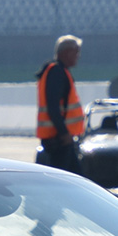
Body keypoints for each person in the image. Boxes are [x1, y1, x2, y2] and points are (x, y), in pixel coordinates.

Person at [35, 34, 84, 174]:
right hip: (58, 140)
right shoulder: (56, 72)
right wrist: (64, 133)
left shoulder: (58, 71)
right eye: (76, 52)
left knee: (75, 178)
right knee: (65, 179)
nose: (78, 56)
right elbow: (53, 108)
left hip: (59, 139)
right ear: (66, 52)